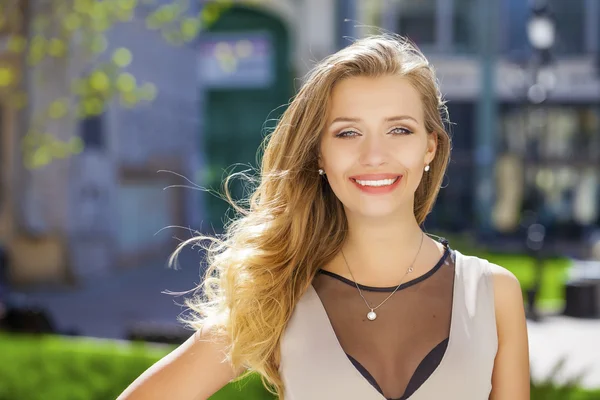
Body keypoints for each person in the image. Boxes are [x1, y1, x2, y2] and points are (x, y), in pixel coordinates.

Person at [117, 34, 530, 400]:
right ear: (320, 154)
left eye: (399, 130)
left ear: (430, 148)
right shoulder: (278, 294)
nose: (374, 156)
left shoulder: (493, 295)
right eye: (348, 132)